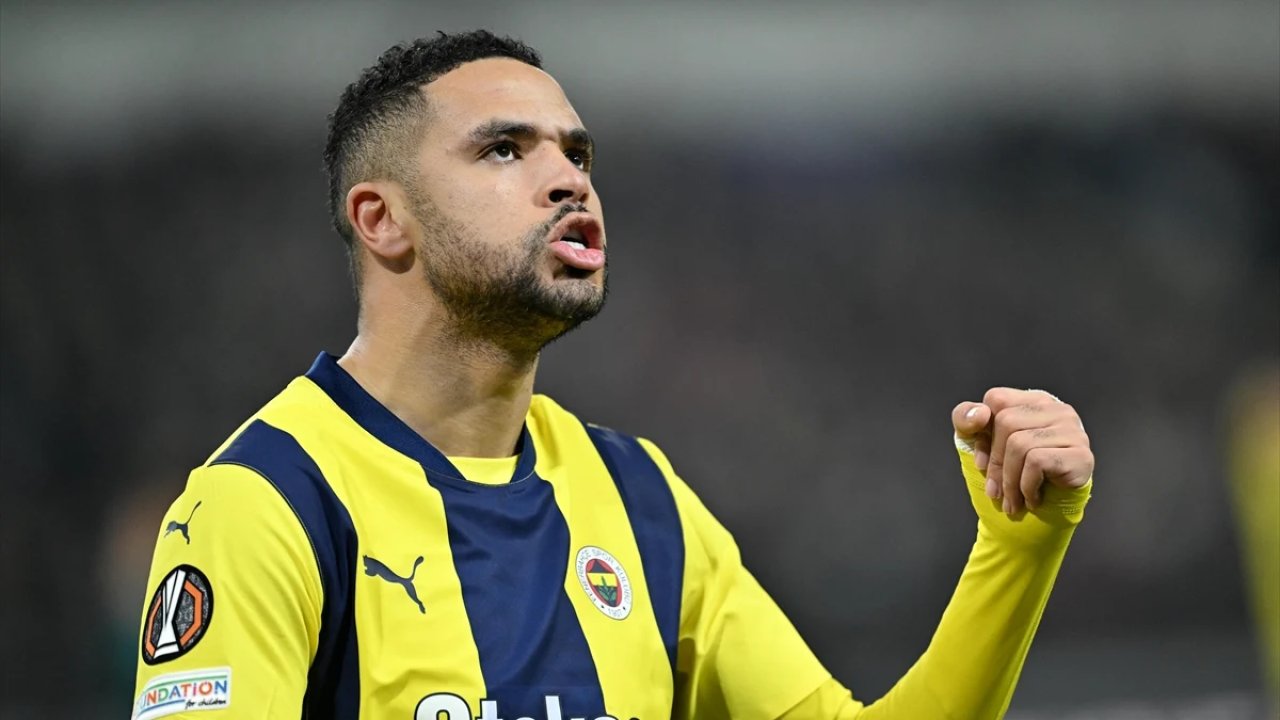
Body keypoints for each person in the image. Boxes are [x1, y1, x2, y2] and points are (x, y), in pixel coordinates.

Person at [131, 30, 1094, 720]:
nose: (570, 179)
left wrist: (1017, 549)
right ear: (383, 220)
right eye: (504, 149)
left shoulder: (641, 501)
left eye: (577, 152)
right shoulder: (265, 506)